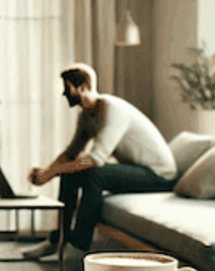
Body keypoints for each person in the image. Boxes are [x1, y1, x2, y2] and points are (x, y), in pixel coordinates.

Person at [24, 63, 177, 260]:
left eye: (67, 88)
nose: (64, 93)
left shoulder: (112, 110)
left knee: (93, 173)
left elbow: (96, 159)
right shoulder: (86, 115)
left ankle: (79, 245)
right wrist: (46, 170)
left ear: (83, 87)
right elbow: (71, 153)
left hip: (159, 176)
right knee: (69, 172)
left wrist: (52, 172)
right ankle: (58, 239)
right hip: (136, 170)